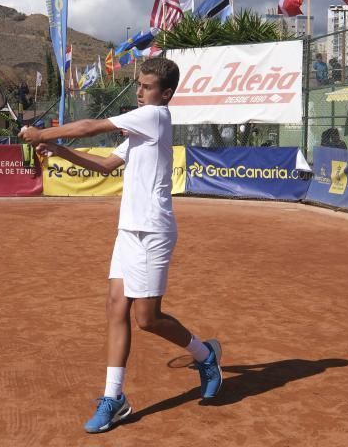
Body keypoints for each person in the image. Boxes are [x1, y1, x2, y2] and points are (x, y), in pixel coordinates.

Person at [19, 58, 222, 434]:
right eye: (139, 85)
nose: (139, 91)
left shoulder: (155, 117)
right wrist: (58, 151)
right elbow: (105, 166)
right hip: (128, 231)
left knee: (147, 319)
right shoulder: (139, 131)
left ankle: (205, 355)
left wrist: (42, 135)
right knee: (115, 307)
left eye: (146, 86)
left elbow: (88, 127)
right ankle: (115, 398)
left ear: (165, 94)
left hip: (153, 232)